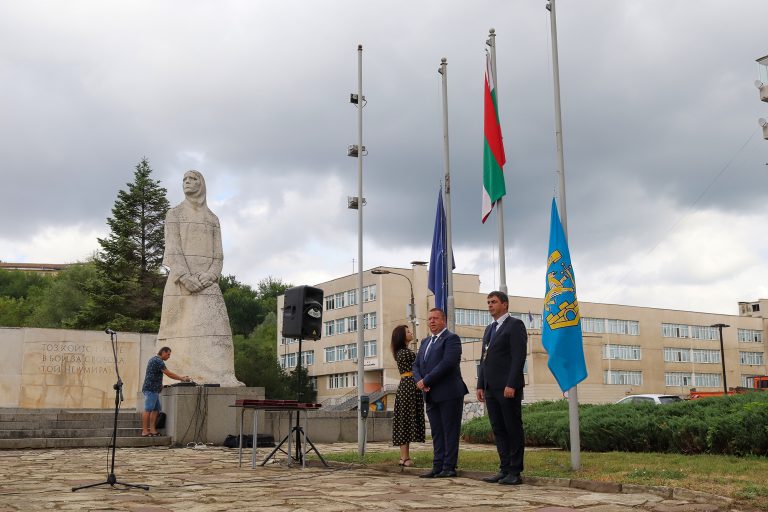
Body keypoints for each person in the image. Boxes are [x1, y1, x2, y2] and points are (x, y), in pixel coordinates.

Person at [156, 170, 240, 387]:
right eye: (184, 180)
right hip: (181, 284)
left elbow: (218, 255)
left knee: (219, 330)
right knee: (180, 331)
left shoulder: (212, 219)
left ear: (201, 184)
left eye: (192, 179)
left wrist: (209, 276)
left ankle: (223, 375)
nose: (187, 183)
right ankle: (182, 376)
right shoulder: (174, 215)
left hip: (208, 283)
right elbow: (172, 250)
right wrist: (186, 277)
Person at [476, 290, 528, 485]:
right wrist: (481, 384)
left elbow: (518, 357)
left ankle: (515, 471)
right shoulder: (489, 329)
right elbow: (484, 359)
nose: (490, 305)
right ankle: (504, 468)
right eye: (488, 302)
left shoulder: (515, 325)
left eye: (494, 302)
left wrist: (511, 383)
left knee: (512, 428)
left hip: (507, 388)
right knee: (498, 429)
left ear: (505, 304)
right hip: (490, 388)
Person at [413, 308, 468, 478]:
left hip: (449, 393)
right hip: (430, 393)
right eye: (429, 318)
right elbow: (416, 365)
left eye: (435, 318)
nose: (432, 321)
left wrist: (426, 380)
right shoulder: (425, 342)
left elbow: (448, 363)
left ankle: (449, 466)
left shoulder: (451, 339)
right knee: (437, 431)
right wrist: (420, 381)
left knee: (449, 431)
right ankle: (437, 465)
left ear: (443, 320)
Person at [391, 324, 425, 467]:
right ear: (401, 336)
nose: (411, 332)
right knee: (405, 421)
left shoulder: (402, 351)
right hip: (409, 387)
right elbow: (420, 364)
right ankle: (404, 457)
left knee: (404, 420)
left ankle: (404, 457)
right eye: (408, 331)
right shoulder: (404, 352)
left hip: (408, 386)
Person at [141, 347, 190, 437]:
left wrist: (160, 384)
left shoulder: (154, 359)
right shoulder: (158, 361)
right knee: (148, 409)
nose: (169, 356)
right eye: (168, 354)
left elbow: (155, 374)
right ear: (163, 352)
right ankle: (145, 431)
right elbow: (168, 373)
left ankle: (152, 430)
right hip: (151, 389)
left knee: (156, 409)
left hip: (154, 389)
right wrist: (182, 379)